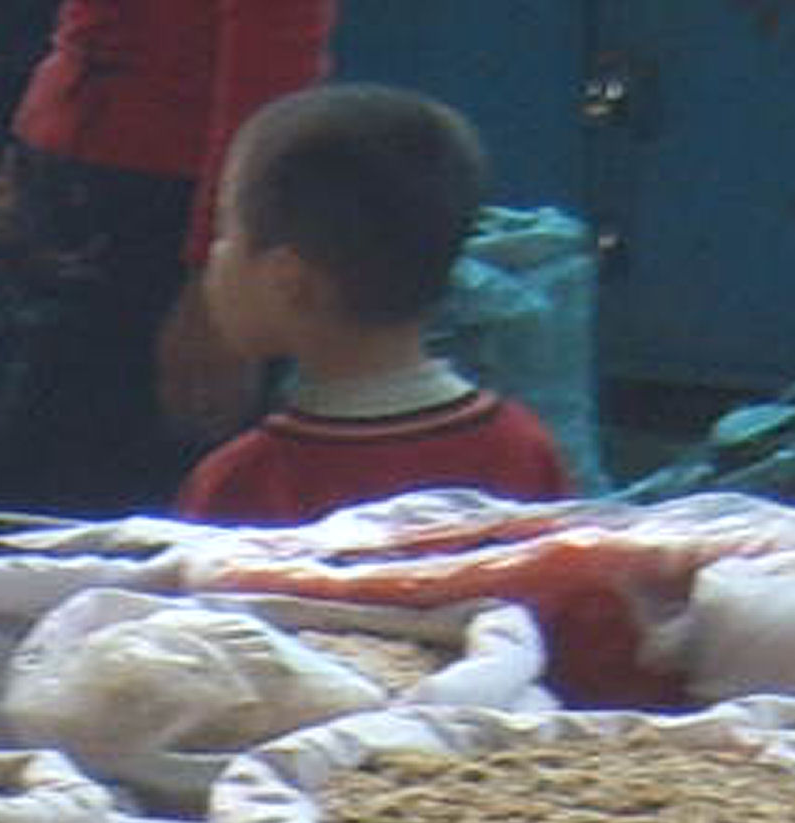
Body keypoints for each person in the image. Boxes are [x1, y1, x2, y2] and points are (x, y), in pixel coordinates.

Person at [0, 0, 333, 515]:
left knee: (64, 506)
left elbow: (271, 75)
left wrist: (213, 285)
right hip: (68, 198)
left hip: (159, 225)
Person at [160, 82, 569, 523]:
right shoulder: (524, 450)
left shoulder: (240, 485)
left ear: (289, 279)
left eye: (225, 232)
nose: (215, 257)